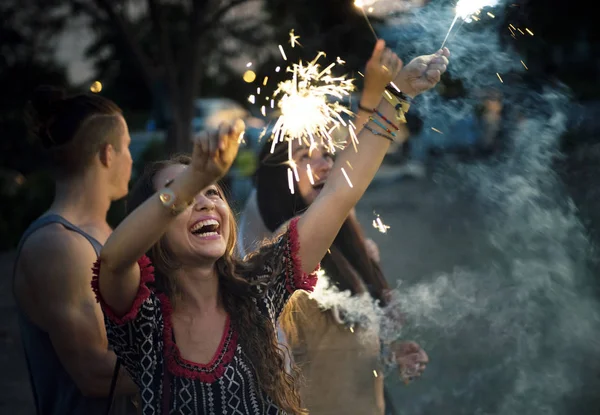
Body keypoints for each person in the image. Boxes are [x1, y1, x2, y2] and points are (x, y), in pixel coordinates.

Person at [91, 44, 449, 414]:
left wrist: (398, 95)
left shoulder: (258, 290)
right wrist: (197, 176)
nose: (202, 200)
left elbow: (341, 192)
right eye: (180, 198)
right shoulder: (146, 321)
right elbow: (114, 260)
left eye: (212, 192)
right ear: (154, 232)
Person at [238, 41, 433, 415]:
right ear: (278, 179)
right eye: (303, 157)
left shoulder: (342, 236)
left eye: (327, 153)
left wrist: (389, 356)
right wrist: (394, 95)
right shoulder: (279, 255)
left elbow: (352, 170)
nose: (325, 164)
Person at [12, 86, 139, 414]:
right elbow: (95, 374)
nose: (132, 158)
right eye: (127, 147)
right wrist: (198, 360)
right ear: (107, 154)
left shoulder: (108, 234)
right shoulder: (57, 244)